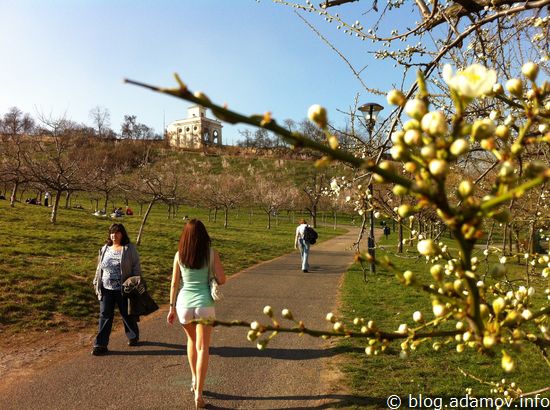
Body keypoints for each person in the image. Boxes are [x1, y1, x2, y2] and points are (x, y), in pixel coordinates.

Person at [167, 219, 226, 409]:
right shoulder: (211, 254)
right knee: (203, 348)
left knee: (191, 342)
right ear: (204, 235)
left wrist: (171, 307)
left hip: (183, 304)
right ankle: (199, 393)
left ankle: (194, 379)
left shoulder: (179, 255)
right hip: (204, 305)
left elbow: (175, 283)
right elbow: (222, 279)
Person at [92, 223, 141, 356]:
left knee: (126, 313)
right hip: (106, 288)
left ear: (122, 234)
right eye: (112, 233)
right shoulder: (105, 248)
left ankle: (133, 335)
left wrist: (136, 281)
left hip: (124, 288)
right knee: (105, 315)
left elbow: (136, 265)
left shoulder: (129, 249)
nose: (114, 235)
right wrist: (96, 281)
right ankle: (100, 344)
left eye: (117, 232)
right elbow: (100, 267)